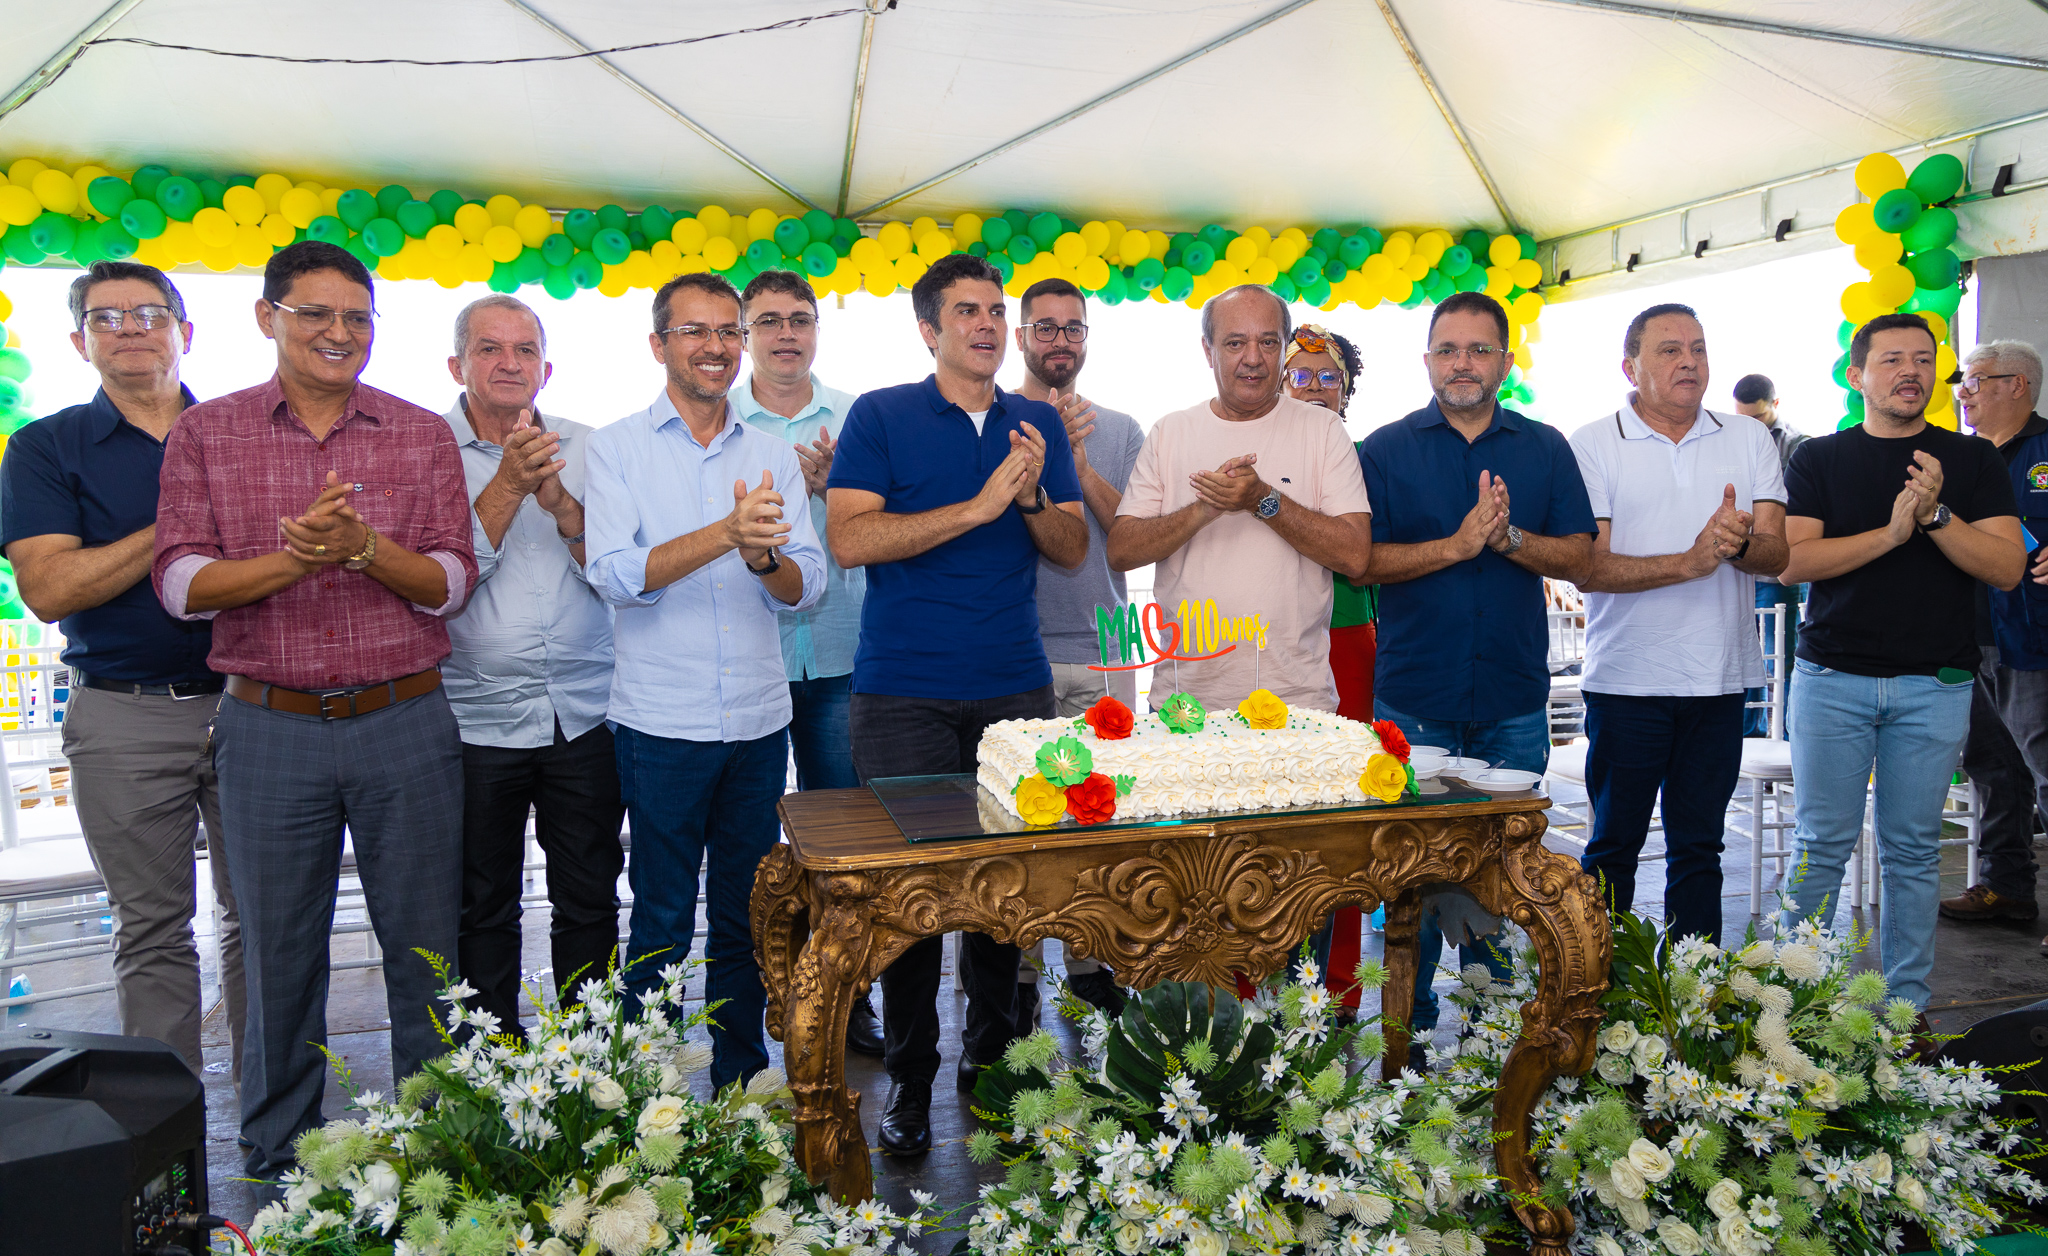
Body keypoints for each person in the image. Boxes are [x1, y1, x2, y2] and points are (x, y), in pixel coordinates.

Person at [151, 241, 478, 1179]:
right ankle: (279, 1157)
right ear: (268, 318)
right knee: (281, 953)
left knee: (426, 953)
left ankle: (436, 1146)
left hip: (406, 723)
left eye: (357, 318)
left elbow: (452, 582)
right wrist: (297, 560)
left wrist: (364, 548)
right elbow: (180, 583)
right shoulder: (207, 434)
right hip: (267, 728)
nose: (340, 333)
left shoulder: (420, 434)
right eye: (316, 315)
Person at [825, 252, 1086, 1156]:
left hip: (1016, 690)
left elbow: (1069, 544)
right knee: (909, 906)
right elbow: (851, 539)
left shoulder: (1036, 419)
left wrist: (1033, 491)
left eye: (995, 311)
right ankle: (908, 1080)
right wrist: (977, 508)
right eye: (967, 311)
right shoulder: (882, 414)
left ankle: (993, 1069)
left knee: (1004, 900)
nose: (986, 324)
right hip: (901, 694)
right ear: (929, 329)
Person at [0, 260, 243, 1081]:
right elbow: (50, 588)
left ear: (185, 330)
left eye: (149, 312)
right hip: (125, 716)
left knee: (263, 920)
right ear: (79, 342)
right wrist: (174, 525)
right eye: (107, 318)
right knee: (151, 929)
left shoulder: (243, 434)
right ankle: (169, 1136)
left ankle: (278, 1121)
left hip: (255, 707)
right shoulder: (44, 448)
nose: (131, 328)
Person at [585, 272, 824, 1091]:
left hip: (759, 723)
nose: (716, 346)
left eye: (727, 330)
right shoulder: (613, 448)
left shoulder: (769, 455)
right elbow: (614, 575)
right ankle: (642, 1089)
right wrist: (727, 533)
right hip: (660, 724)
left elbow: (810, 585)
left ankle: (738, 1084)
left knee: (744, 915)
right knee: (656, 915)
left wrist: (764, 558)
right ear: (659, 346)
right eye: (696, 331)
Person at [1362, 290, 1597, 1048]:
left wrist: (1510, 541)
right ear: (1428, 360)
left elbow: (1582, 556)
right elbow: (1364, 562)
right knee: (1410, 878)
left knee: (1508, 876)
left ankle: (1498, 1036)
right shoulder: (1385, 450)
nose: (1462, 363)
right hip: (1414, 697)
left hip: (1512, 698)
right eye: (1447, 349)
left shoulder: (1543, 447)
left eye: (1478, 349)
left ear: (1505, 359)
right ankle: (1408, 1037)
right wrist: (1458, 545)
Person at [1777, 313, 2023, 1014]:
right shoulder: (1819, 458)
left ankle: (1906, 1012)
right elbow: (1795, 562)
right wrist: (1890, 533)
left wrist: (1939, 516)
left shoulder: (1971, 462)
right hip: (1832, 682)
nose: (1910, 371)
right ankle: (1791, 1007)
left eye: (1923, 358)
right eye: (1891, 360)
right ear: (1858, 375)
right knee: (1821, 847)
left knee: (1912, 854)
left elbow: (2006, 567)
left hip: (1934, 686)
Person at [1568, 303, 1790, 945]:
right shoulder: (1593, 441)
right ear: (1630, 367)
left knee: (1701, 849)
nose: (1689, 360)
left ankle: (1692, 1001)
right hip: (1627, 681)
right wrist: (1693, 561)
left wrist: (1737, 543)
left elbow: (1778, 554)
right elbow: (1589, 567)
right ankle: (1599, 996)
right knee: (1613, 847)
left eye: (1697, 347)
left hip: (1719, 680)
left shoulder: (1748, 438)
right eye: (1668, 350)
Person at [440, 295, 623, 1034]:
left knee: (591, 892)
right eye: (489, 349)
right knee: (482, 898)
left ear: (546, 368)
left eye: (524, 350)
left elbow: (615, 575)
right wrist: (509, 484)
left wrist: (562, 504)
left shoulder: (592, 446)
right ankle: (492, 1059)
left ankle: (593, 1058)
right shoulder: (425, 449)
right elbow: (442, 578)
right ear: (457, 365)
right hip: (473, 716)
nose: (509, 363)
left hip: (584, 710)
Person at [727, 268, 883, 1057]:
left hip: (840, 655)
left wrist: (826, 494)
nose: (787, 334)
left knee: (844, 844)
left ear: (817, 330)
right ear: (747, 332)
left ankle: (849, 997)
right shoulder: (716, 417)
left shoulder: (859, 418)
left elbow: (876, 532)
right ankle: (769, 989)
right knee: (754, 850)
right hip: (747, 665)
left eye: (801, 319)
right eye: (769, 321)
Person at [1106, 285, 1373, 713]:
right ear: (1208, 351)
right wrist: (1205, 508)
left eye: (1268, 342)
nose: (1253, 358)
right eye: (1235, 343)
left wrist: (1264, 500)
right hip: (1184, 705)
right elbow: (1121, 550)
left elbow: (1355, 556)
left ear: (1284, 349)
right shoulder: (1170, 432)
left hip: (1295, 704)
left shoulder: (1323, 431)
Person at [1013, 276, 1142, 1023]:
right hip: (1016, 648)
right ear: (1023, 335)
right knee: (1023, 819)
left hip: (1106, 648)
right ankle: (1020, 974)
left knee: (1099, 817)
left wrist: (1081, 460)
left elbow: (1130, 542)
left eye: (1073, 328)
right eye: (1046, 327)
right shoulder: (993, 420)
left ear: (1087, 339)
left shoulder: (1122, 429)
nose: (1060, 340)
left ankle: (1093, 959)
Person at [1282, 323, 1375, 1020]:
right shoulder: (1248, 450)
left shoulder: (1368, 457)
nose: (1314, 388)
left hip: (1348, 640)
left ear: (1347, 391)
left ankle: (1338, 985)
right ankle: (1252, 980)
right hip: (1263, 641)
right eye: (1301, 375)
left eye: (1327, 377)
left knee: (1342, 812)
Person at [1938, 340, 2048, 930]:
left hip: (2033, 640)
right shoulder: (1959, 459)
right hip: (1967, 637)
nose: (1964, 390)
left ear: (2018, 386)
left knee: (2045, 766)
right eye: (1962, 379)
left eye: (1977, 379)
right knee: (1990, 766)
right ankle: (2006, 887)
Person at [1734, 373, 1807, 737]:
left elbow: (1792, 509)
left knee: (1782, 658)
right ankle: (1749, 738)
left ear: (1775, 406)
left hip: (1779, 571)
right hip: (1735, 569)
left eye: (1758, 418)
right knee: (1742, 655)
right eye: (1743, 418)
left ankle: (1787, 738)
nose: (1751, 426)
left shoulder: (1798, 445)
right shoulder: (1729, 445)